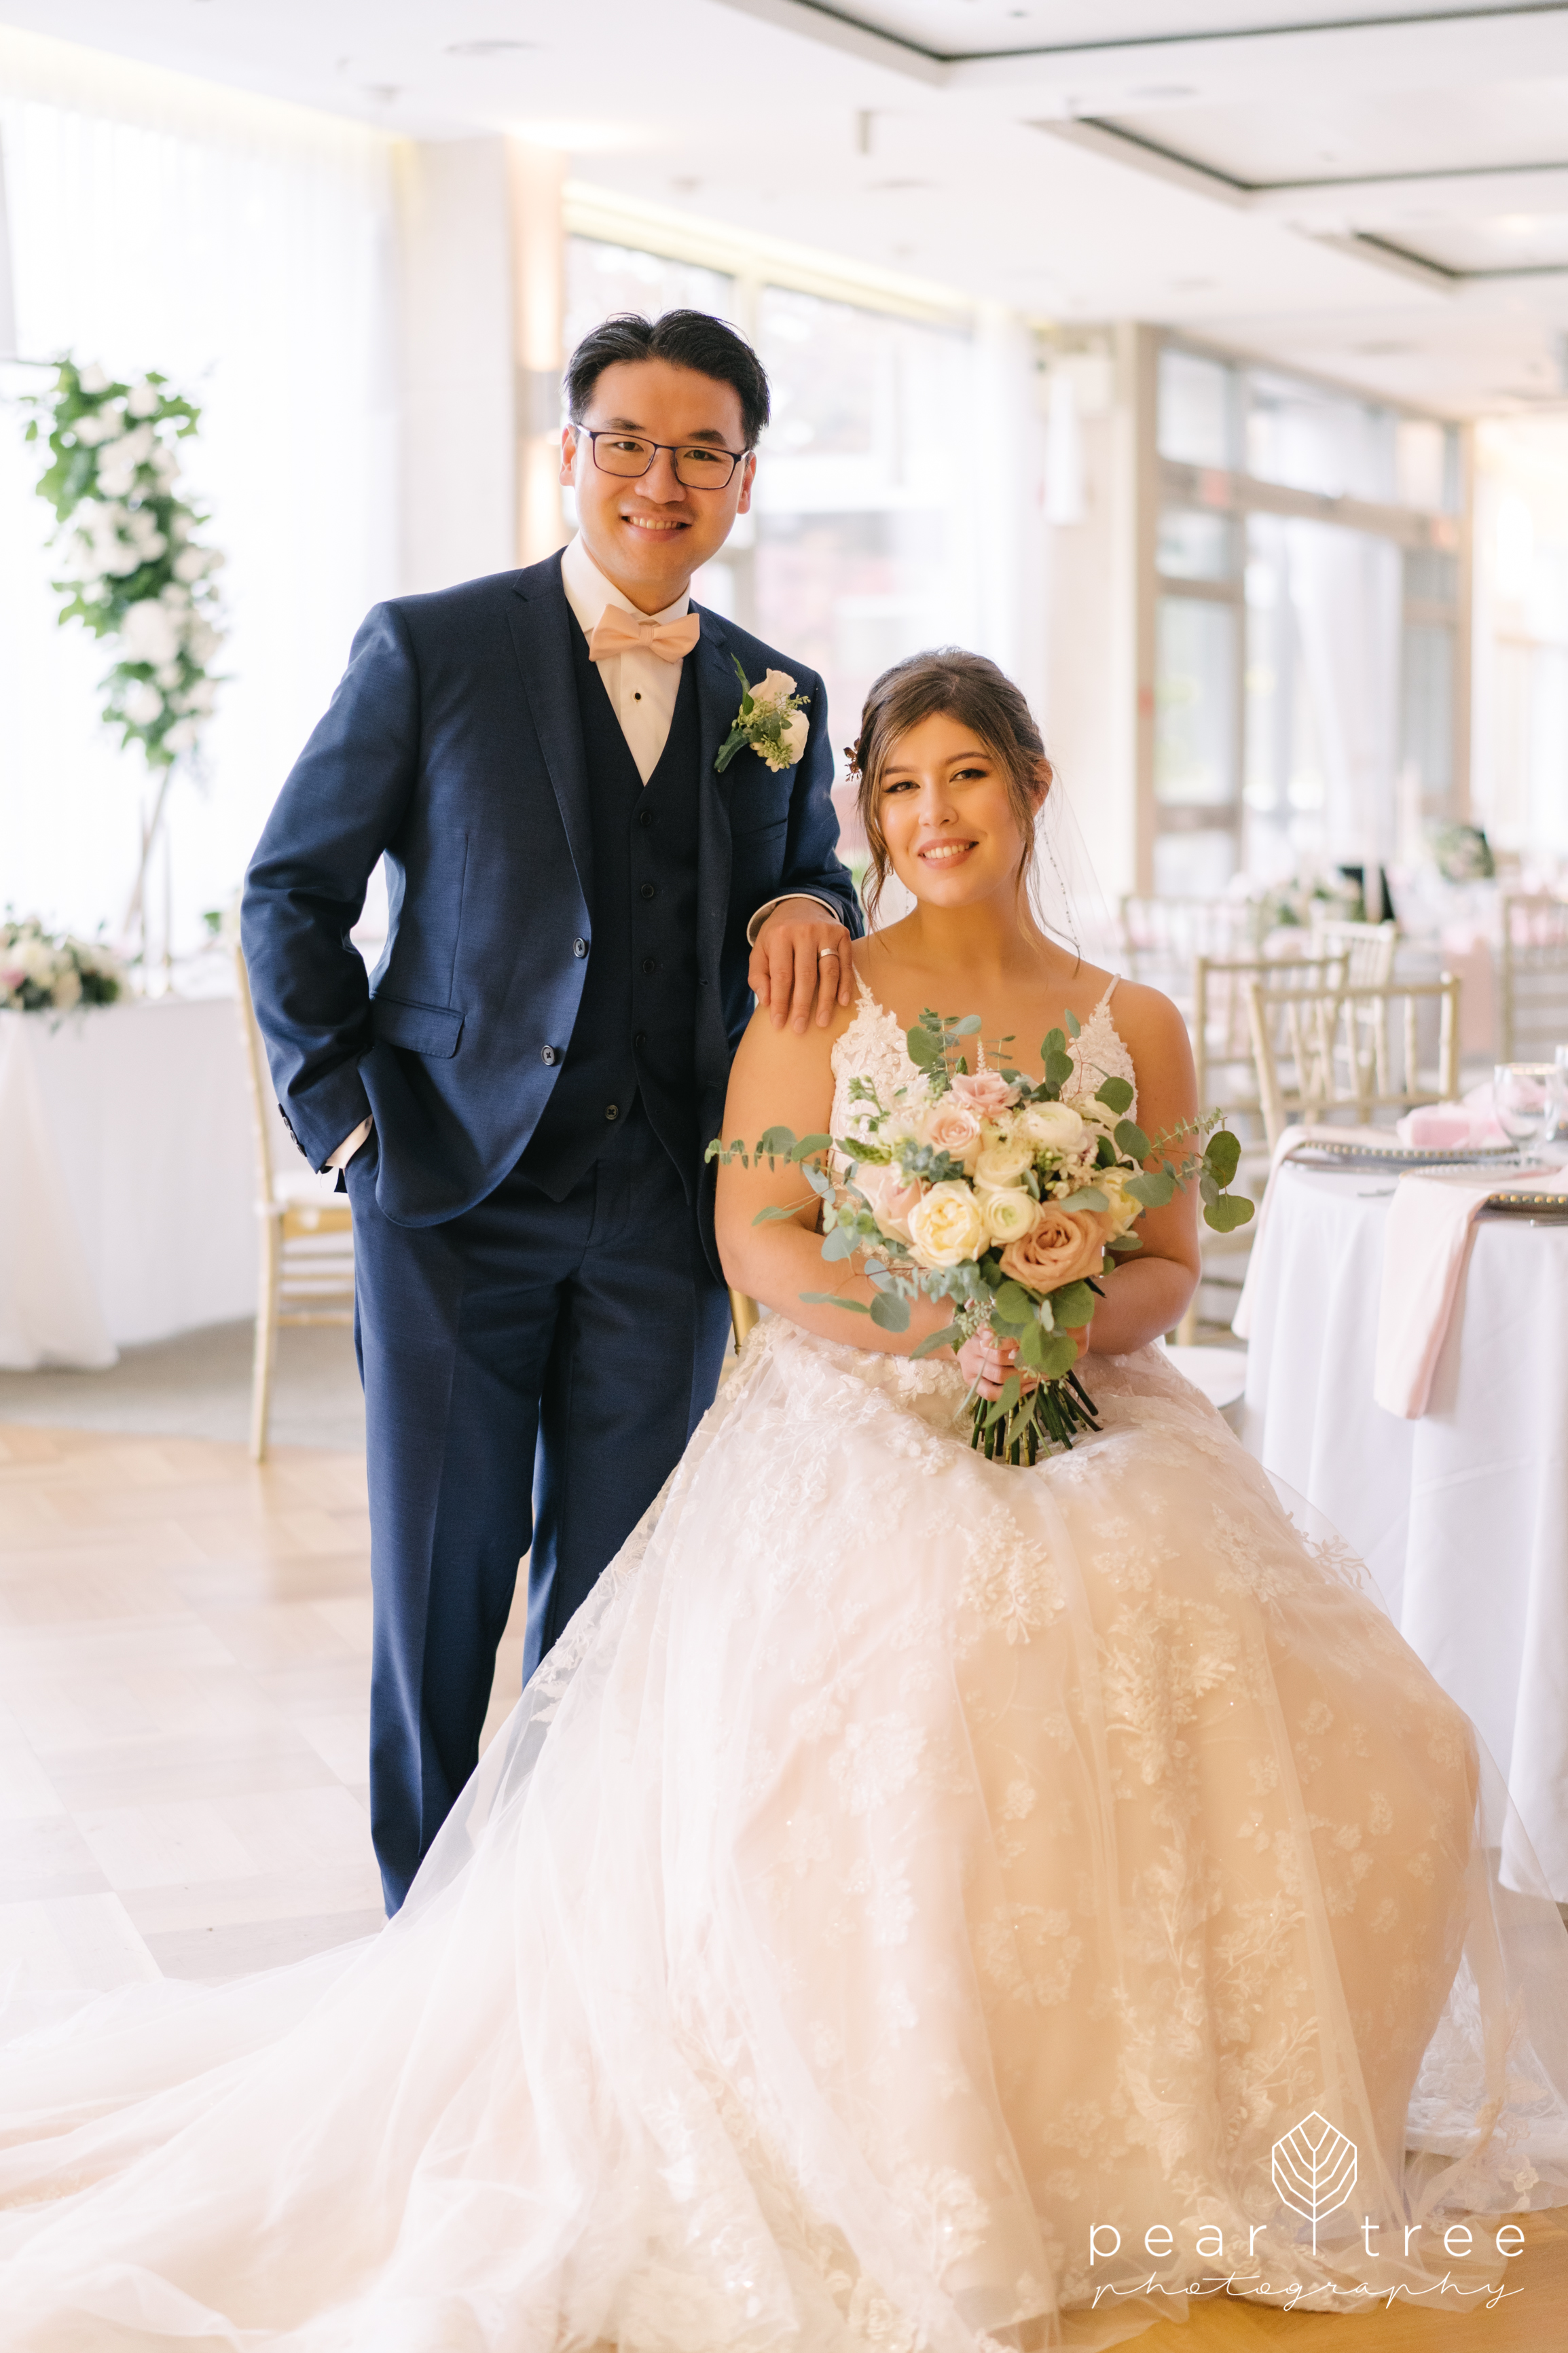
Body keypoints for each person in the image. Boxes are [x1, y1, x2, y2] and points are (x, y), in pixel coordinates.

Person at [5, 652, 1568, 2349]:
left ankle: (1199, 2109)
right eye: (898, 788)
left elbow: (1171, 1263)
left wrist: (1061, 1302)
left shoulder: (1138, 1023)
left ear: (1034, 785)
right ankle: (950, 2131)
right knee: (944, 1660)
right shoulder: (826, 996)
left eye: (966, 776)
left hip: (1094, 1403)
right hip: (860, 1403)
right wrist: (943, 1313)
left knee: (1388, 1728)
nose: (932, 816)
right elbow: (761, 1238)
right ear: (864, 816)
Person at [240, 310, 860, 1914]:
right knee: (440, 1590)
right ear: (570, 454)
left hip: (668, 1207)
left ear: (744, 481)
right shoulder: (432, 647)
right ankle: (421, 1935)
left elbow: (810, 877)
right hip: (450, 1190)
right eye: (629, 444)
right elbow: (290, 891)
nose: (663, 481)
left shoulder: (777, 693)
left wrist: (812, 899)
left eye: (703, 453)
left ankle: (558, 1930)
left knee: (617, 1593)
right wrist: (348, 1120)